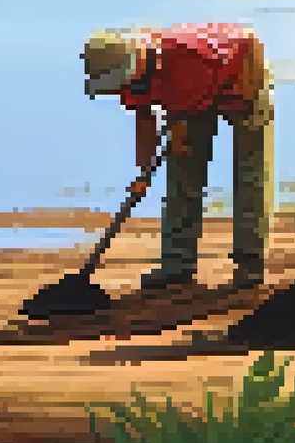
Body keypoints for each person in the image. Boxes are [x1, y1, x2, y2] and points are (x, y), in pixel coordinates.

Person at [81, 23, 273, 291]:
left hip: (244, 71)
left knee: (249, 173)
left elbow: (180, 122)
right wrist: (143, 174)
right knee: (182, 170)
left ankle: (250, 262)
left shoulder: (185, 58)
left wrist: (179, 131)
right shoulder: (129, 79)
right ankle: (177, 264)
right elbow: (145, 120)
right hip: (190, 91)